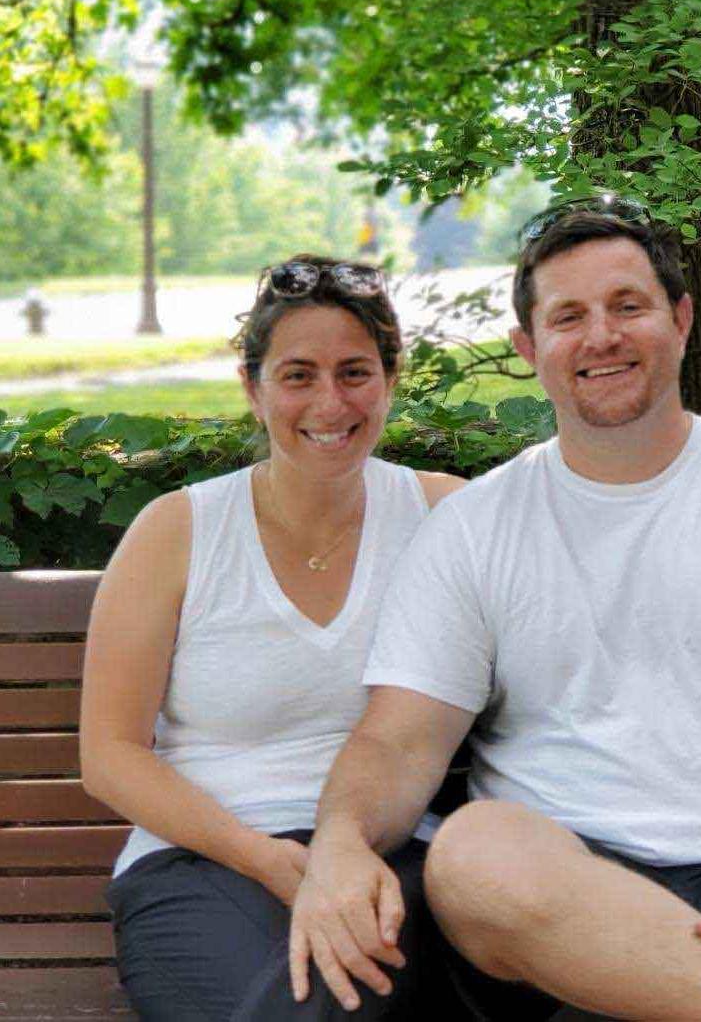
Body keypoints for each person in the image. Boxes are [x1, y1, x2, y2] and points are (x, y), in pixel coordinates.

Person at [288, 203, 701, 1022]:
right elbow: (397, 739)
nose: (601, 337)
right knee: (472, 852)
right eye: (567, 317)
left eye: (627, 306)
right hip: (562, 893)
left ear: (681, 320)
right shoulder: (475, 527)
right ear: (527, 348)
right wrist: (334, 841)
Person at [79, 255, 465, 1020]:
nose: (330, 401)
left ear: (392, 378)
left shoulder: (444, 519)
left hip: (390, 857)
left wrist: (336, 856)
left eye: (355, 371)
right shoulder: (178, 530)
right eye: (298, 375)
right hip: (199, 860)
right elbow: (110, 754)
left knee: (335, 989)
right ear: (252, 387)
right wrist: (270, 860)